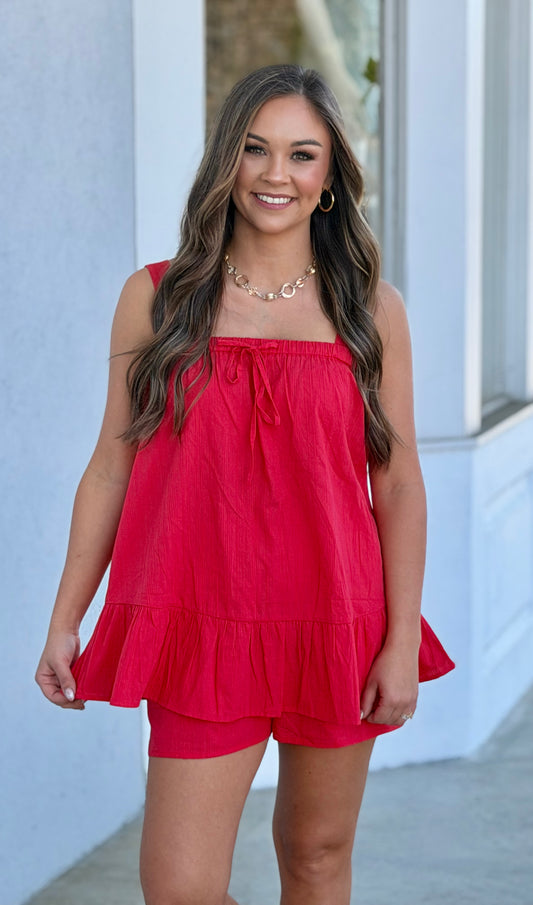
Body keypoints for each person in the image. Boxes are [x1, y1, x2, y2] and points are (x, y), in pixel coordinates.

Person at [36, 63, 454, 905]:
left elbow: (399, 481)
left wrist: (400, 638)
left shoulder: (372, 309)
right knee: (180, 887)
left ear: (330, 176)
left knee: (315, 856)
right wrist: (65, 619)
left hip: (338, 619)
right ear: (226, 161)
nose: (275, 174)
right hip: (199, 623)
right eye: (255, 150)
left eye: (302, 155)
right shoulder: (155, 299)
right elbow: (110, 464)